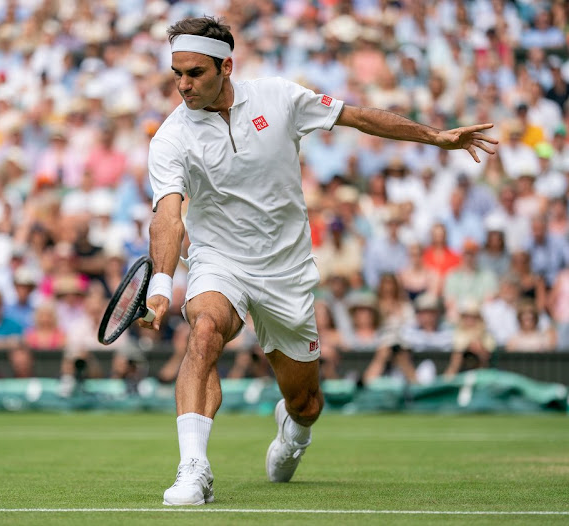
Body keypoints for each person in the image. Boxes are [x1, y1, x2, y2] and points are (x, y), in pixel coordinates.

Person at [140, 16, 498, 506]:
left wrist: (435, 137)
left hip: (286, 271)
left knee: (306, 403)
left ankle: (293, 433)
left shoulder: (278, 97)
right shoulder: (169, 137)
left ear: (227, 66)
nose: (183, 85)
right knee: (203, 330)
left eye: (195, 73)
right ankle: (193, 469)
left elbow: (359, 117)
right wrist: (162, 285)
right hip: (219, 261)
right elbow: (168, 215)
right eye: (177, 73)